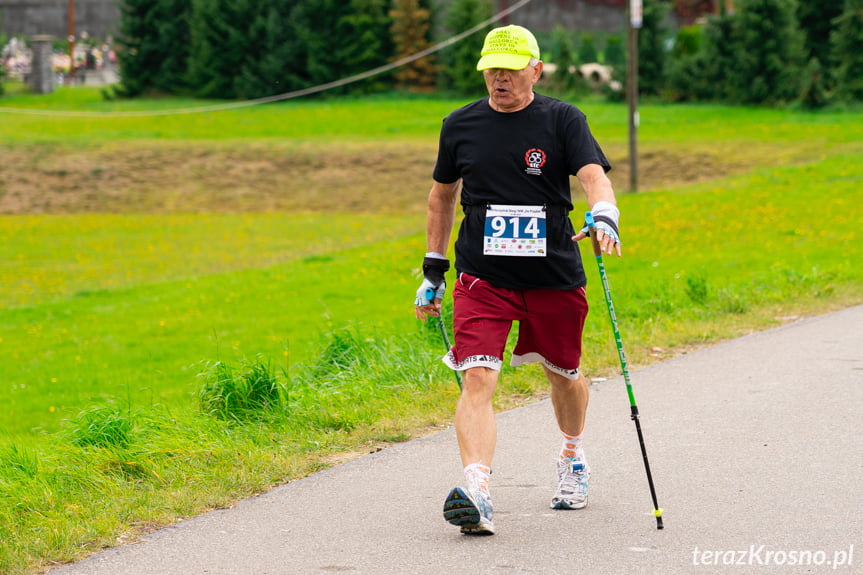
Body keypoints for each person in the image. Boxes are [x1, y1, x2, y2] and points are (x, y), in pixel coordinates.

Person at [414, 24, 622, 536]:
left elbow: (592, 174)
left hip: (552, 275)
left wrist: (605, 213)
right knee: (478, 375)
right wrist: (433, 267)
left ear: (536, 69)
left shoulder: (563, 120)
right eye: (491, 68)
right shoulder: (460, 124)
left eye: (509, 68)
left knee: (564, 374)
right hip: (483, 277)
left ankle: (572, 454)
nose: (499, 77)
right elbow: (442, 197)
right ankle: (477, 491)